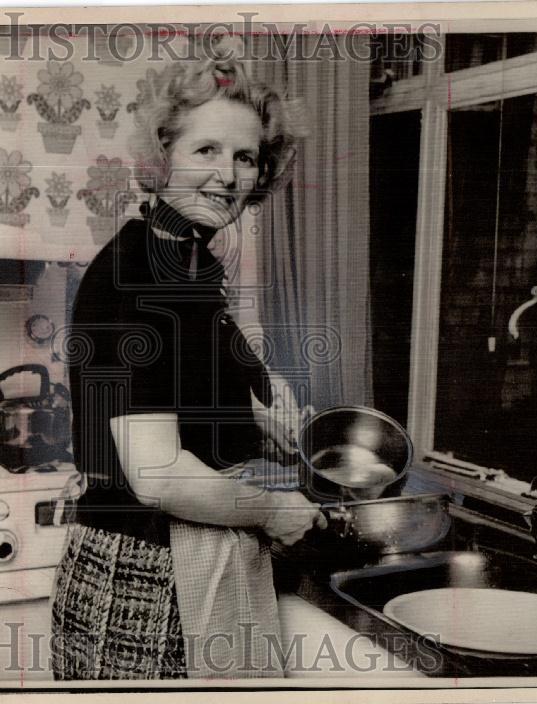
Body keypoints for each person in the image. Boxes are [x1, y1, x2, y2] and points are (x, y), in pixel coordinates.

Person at [50, 36, 325, 680]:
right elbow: (158, 476)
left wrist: (253, 427)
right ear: (162, 156)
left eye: (246, 158)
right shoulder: (136, 272)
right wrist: (275, 510)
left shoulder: (188, 262)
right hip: (143, 580)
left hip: (189, 558)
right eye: (206, 150)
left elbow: (177, 399)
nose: (228, 177)